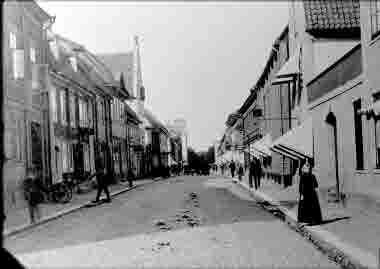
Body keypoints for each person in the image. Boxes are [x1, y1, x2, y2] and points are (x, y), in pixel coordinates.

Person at [298, 159, 322, 225]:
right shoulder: (309, 176)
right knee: (309, 207)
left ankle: (311, 220)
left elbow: (315, 185)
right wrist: (302, 194)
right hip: (309, 193)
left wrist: (302, 193)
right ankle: (309, 220)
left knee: (309, 207)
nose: (308, 168)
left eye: (308, 167)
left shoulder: (304, 176)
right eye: (306, 167)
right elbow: (315, 185)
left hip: (308, 193)